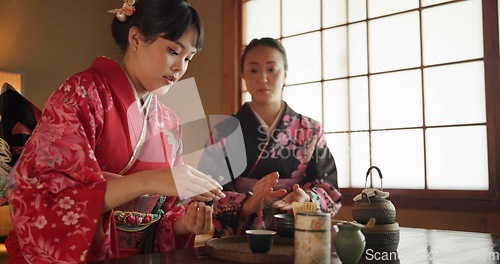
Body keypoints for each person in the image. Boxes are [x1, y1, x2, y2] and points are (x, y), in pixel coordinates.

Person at [5, 0, 225, 262]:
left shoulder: (170, 122)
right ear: (136, 38)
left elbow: (163, 217)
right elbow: (47, 195)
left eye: (189, 58)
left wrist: (185, 224)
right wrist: (150, 180)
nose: (180, 67)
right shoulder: (81, 93)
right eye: (173, 51)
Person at [200, 37, 342, 237]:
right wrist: (251, 202)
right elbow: (208, 192)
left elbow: (328, 188)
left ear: (285, 74)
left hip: (297, 233)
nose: (263, 78)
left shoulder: (310, 130)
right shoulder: (224, 132)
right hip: (240, 238)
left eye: (271, 69)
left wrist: (305, 198)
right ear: (243, 75)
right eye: (254, 70)